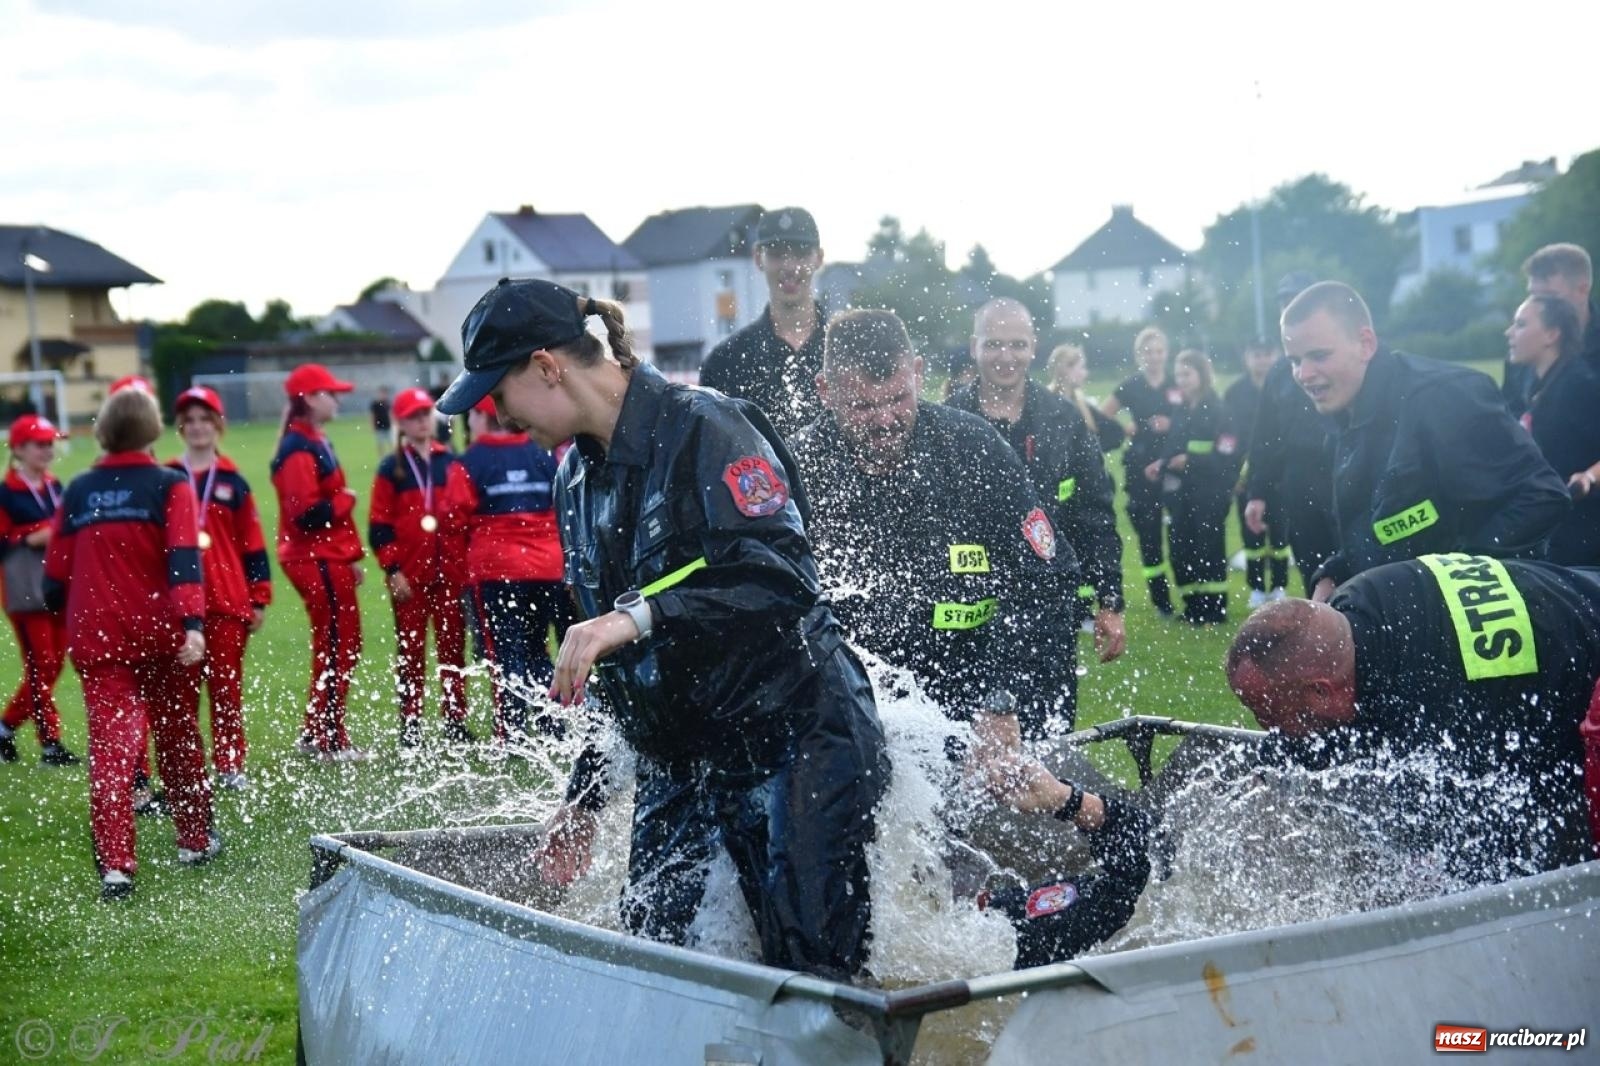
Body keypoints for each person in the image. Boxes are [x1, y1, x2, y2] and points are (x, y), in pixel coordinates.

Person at [434, 278, 888, 982]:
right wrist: (583, 801)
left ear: (547, 367)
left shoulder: (706, 427)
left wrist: (640, 613)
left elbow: (783, 578)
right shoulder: (572, 482)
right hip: (687, 747)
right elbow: (612, 660)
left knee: (809, 963)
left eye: (497, 390)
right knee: (654, 948)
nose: (494, 412)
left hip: (797, 727)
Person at [792, 308, 1084, 738]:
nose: (886, 420)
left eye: (897, 399)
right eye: (863, 406)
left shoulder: (973, 447)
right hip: (856, 708)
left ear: (917, 373)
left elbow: (1048, 578)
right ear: (825, 391)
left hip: (979, 692)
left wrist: (1006, 700)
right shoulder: (799, 472)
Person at [1226, 555, 1600, 879]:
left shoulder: (1436, 709)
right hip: (1573, 608)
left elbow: (1486, 857)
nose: (1267, 727)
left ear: (1322, 691)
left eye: (1269, 712)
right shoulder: (1355, 606)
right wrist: (1268, 770)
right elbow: (1326, 733)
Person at [1281, 282, 1568, 601]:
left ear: (1365, 344)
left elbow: (1542, 496)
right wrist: (1333, 575)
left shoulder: (1441, 396)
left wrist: (1455, 579)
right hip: (1408, 621)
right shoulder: (1344, 417)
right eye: (1294, 361)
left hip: (1481, 622)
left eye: (1319, 356)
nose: (1304, 374)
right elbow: (1378, 529)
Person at [43, 387, 220, 900]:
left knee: (112, 749)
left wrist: (78, 613)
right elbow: (184, 559)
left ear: (103, 430)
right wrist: (193, 624)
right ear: (152, 429)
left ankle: (117, 866)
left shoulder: (77, 489)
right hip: (162, 633)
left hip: (97, 636)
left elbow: (54, 576)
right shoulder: (170, 484)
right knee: (178, 737)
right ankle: (194, 839)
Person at [946, 298, 1126, 669]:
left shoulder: (1064, 421)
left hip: (1049, 605)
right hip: (968, 612)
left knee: (1052, 724)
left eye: (1017, 344)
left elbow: (1095, 516)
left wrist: (1109, 601)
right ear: (973, 347)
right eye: (993, 344)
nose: (1005, 356)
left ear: (1034, 347)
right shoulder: (948, 421)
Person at [444, 395, 568, 744]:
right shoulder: (542, 452)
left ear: (481, 418)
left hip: (496, 572)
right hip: (547, 568)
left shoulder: (470, 461)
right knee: (538, 649)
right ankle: (552, 726)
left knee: (504, 653)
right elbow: (563, 505)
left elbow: (452, 521)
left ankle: (511, 732)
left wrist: (461, 576)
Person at [168, 387, 272, 789]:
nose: (197, 427)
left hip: (227, 600)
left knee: (226, 688)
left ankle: (230, 764)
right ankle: (188, 770)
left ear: (218, 425)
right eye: (189, 420)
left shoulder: (233, 482)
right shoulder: (167, 476)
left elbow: (252, 542)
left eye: (204, 419)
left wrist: (259, 594)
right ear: (180, 427)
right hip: (180, 605)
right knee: (182, 693)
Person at [271, 364, 369, 763]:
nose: (337, 399)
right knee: (335, 645)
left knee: (344, 643)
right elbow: (304, 514)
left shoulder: (313, 439)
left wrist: (350, 556)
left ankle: (317, 730)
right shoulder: (298, 448)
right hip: (315, 559)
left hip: (329, 557)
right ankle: (328, 738)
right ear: (310, 399)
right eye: (330, 392)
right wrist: (345, 501)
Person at [369, 387, 471, 749]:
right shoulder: (391, 467)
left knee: (452, 649)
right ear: (401, 423)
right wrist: (392, 570)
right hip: (410, 577)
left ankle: (455, 720)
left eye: (425, 414)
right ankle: (410, 722)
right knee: (410, 651)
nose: (421, 422)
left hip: (450, 574)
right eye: (412, 416)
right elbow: (379, 526)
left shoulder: (451, 461)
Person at [698, 207, 827, 439]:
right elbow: (713, 454)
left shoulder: (848, 351)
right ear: (758, 258)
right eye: (777, 254)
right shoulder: (725, 363)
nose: (789, 267)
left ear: (818, 258)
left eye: (800, 254)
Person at [1244, 272, 1335, 594]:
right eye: (1284, 303)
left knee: (1354, 562)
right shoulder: (1280, 372)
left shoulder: (1342, 359)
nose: (1289, 309)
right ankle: (1328, 632)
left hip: (1342, 471)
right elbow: (1264, 438)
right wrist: (1257, 492)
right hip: (1297, 479)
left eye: (1295, 301)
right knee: (1312, 563)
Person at [0, 414, 79, 765]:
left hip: (57, 583)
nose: (48, 450)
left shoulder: (54, 485)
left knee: (52, 664)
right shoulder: (6, 492)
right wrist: (31, 536)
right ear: (18, 449)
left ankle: (5, 728)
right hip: (24, 588)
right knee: (41, 663)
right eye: (39, 444)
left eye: (50, 443)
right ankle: (50, 742)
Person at [1506, 295, 1600, 565]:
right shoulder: (1532, 381)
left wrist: (1589, 477)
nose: (1509, 332)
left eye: (1521, 324)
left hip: (1586, 537)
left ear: (1551, 334)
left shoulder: (1580, 385)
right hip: (1554, 527)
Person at [1144, 350, 1235, 624]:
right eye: (1179, 374)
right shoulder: (1181, 409)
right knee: (1182, 548)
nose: (1181, 379)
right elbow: (1174, 445)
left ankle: (1214, 609)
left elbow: (1227, 452)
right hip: (1180, 492)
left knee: (1209, 548)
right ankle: (1193, 606)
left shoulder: (1219, 409)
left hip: (1209, 490)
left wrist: (1192, 461)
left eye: (1187, 373)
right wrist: (1161, 463)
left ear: (1202, 374)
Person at [1101, 326, 1179, 615]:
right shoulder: (1131, 386)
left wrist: (1173, 425)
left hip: (1174, 466)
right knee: (1149, 535)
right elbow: (1102, 414)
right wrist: (1125, 428)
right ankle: (1161, 601)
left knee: (1181, 533)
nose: (1154, 357)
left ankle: (1192, 593)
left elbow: (1197, 414)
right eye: (1148, 351)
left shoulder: (1176, 383)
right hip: (1140, 465)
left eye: (1159, 351)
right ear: (1139, 355)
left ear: (1166, 353)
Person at [1223, 343, 1289, 606]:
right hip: (1246, 475)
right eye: (1256, 355)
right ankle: (1257, 587)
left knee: (1280, 534)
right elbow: (1226, 433)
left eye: (1267, 354)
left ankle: (1280, 585)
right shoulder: (1235, 393)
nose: (1262, 360)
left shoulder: (1287, 387)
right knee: (1251, 533)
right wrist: (1233, 474)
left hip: (1280, 472)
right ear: (1246, 358)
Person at [1504, 243, 1600, 414]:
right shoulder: (1525, 348)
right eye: (1533, 296)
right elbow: (1511, 416)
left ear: (1583, 290)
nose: (1538, 305)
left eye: (1549, 296)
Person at [1045, 343, 1125, 453]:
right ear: (1067, 368)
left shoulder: (1081, 405)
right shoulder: (1047, 405)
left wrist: (1089, 455)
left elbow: (1116, 433)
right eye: (1082, 368)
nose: (1085, 374)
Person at [369, 384, 392, 457]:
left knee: (391, 443)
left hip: (388, 426)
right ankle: (382, 457)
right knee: (380, 443)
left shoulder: (388, 403)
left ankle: (392, 456)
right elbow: (373, 415)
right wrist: (372, 425)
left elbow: (390, 414)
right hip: (379, 426)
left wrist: (393, 423)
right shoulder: (375, 404)